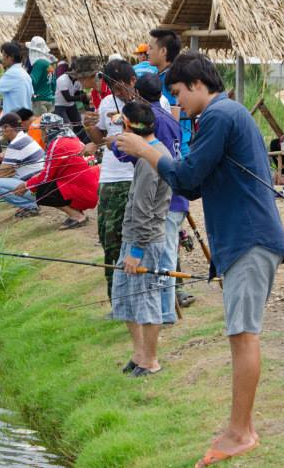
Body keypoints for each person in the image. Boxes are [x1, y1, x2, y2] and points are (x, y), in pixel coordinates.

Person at [116, 52, 284, 466]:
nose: (176, 104)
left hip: (248, 238)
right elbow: (192, 184)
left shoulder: (219, 115)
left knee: (243, 334)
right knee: (239, 333)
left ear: (196, 84)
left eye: (176, 94)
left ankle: (240, 432)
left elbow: (187, 178)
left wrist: (147, 149)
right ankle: (238, 427)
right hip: (241, 239)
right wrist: (156, 154)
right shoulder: (220, 116)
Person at [111, 73, 191, 320]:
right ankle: (165, 312)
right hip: (176, 199)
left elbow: (143, 207)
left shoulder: (149, 154)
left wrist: (135, 252)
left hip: (166, 202)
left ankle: (165, 314)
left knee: (161, 264)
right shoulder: (168, 117)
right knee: (166, 258)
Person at [110, 101, 172, 377]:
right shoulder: (148, 154)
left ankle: (151, 361)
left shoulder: (151, 159)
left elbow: (146, 210)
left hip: (144, 242)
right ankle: (139, 354)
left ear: (129, 128)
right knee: (125, 297)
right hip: (132, 237)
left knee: (145, 298)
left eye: (121, 127)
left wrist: (136, 250)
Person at [84, 58, 137, 299]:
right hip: (109, 178)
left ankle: (134, 295)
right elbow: (98, 139)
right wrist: (90, 127)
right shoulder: (106, 103)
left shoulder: (148, 102)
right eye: (112, 88)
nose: (116, 93)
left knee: (133, 236)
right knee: (108, 237)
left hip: (134, 177)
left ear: (132, 82)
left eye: (119, 87)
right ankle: (115, 298)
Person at [20, 112, 98, 228]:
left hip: (84, 193)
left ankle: (77, 217)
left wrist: (27, 185)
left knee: (43, 189)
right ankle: (77, 212)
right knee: (44, 183)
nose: (41, 133)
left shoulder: (57, 144)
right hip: (92, 191)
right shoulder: (72, 139)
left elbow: (46, 177)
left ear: (47, 130)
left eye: (41, 130)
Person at [149, 28, 193, 155]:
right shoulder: (159, 75)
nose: (147, 52)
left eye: (151, 48)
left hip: (175, 145)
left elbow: (175, 115)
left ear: (163, 51)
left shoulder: (173, 78)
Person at [0, 41, 33, 116]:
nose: (2, 58)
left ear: (10, 57)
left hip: (13, 120)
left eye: (4, 55)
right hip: (26, 118)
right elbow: (31, 94)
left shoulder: (12, 73)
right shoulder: (25, 74)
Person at [27, 36, 56, 115]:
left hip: (39, 101)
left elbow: (32, 80)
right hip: (50, 100)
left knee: (38, 126)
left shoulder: (38, 63)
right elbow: (54, 84)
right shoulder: (49, 64)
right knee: (49, 126)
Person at [53, 60, 82, 128]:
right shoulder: (62, 80)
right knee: (66, 126)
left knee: (78, 124)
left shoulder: (78, 81)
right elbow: (68, 98)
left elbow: (78, 93)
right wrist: (84, 97)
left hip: (71, 105)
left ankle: (82, 138)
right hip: (59, 105)